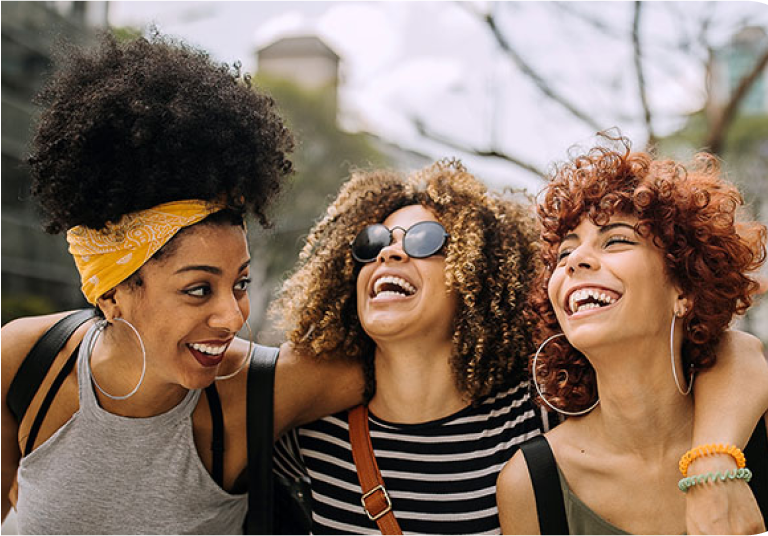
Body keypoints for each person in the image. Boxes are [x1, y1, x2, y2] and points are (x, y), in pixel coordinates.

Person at [271, 159, 768, 535]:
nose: (391, 250)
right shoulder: (309, 437)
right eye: (373, 240)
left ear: (477, 273)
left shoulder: (534, 411)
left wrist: (713, 460)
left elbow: (740, 352)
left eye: (425, 239)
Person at [0, 33, 362, 535]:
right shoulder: (25, 362)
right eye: (198, 289)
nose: (233, 317)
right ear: (112, 293)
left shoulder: (259, 390)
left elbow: (416, 364)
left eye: (239, 283)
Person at [497, 141, 768, 536]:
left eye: (616, 241)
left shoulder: (756, 429)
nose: (574, 260)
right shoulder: (530, 482)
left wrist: (712, 463)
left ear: (685, 289)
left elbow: (744, 347)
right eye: (564, 253)